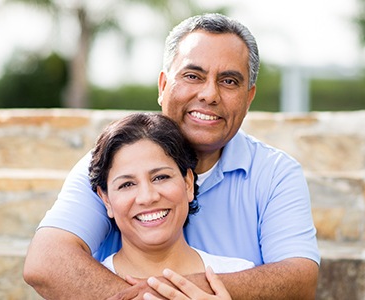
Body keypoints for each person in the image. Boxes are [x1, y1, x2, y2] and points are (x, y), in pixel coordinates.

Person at [24, 13, 320, 299]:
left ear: (249, 97)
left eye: (229, 81)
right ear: (163, 86)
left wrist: (176, 290)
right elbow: (46, 261)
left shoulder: (275, 173)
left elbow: (299, 279)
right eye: (193, 75)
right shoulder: (111, 162)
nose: (209, 95)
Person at [90, 113, 254, 298]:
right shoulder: (77, 290)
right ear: (106, 200)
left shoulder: (238, 272)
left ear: (188, 184)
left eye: (161, 177)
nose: (147, 197)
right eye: (127, 184)